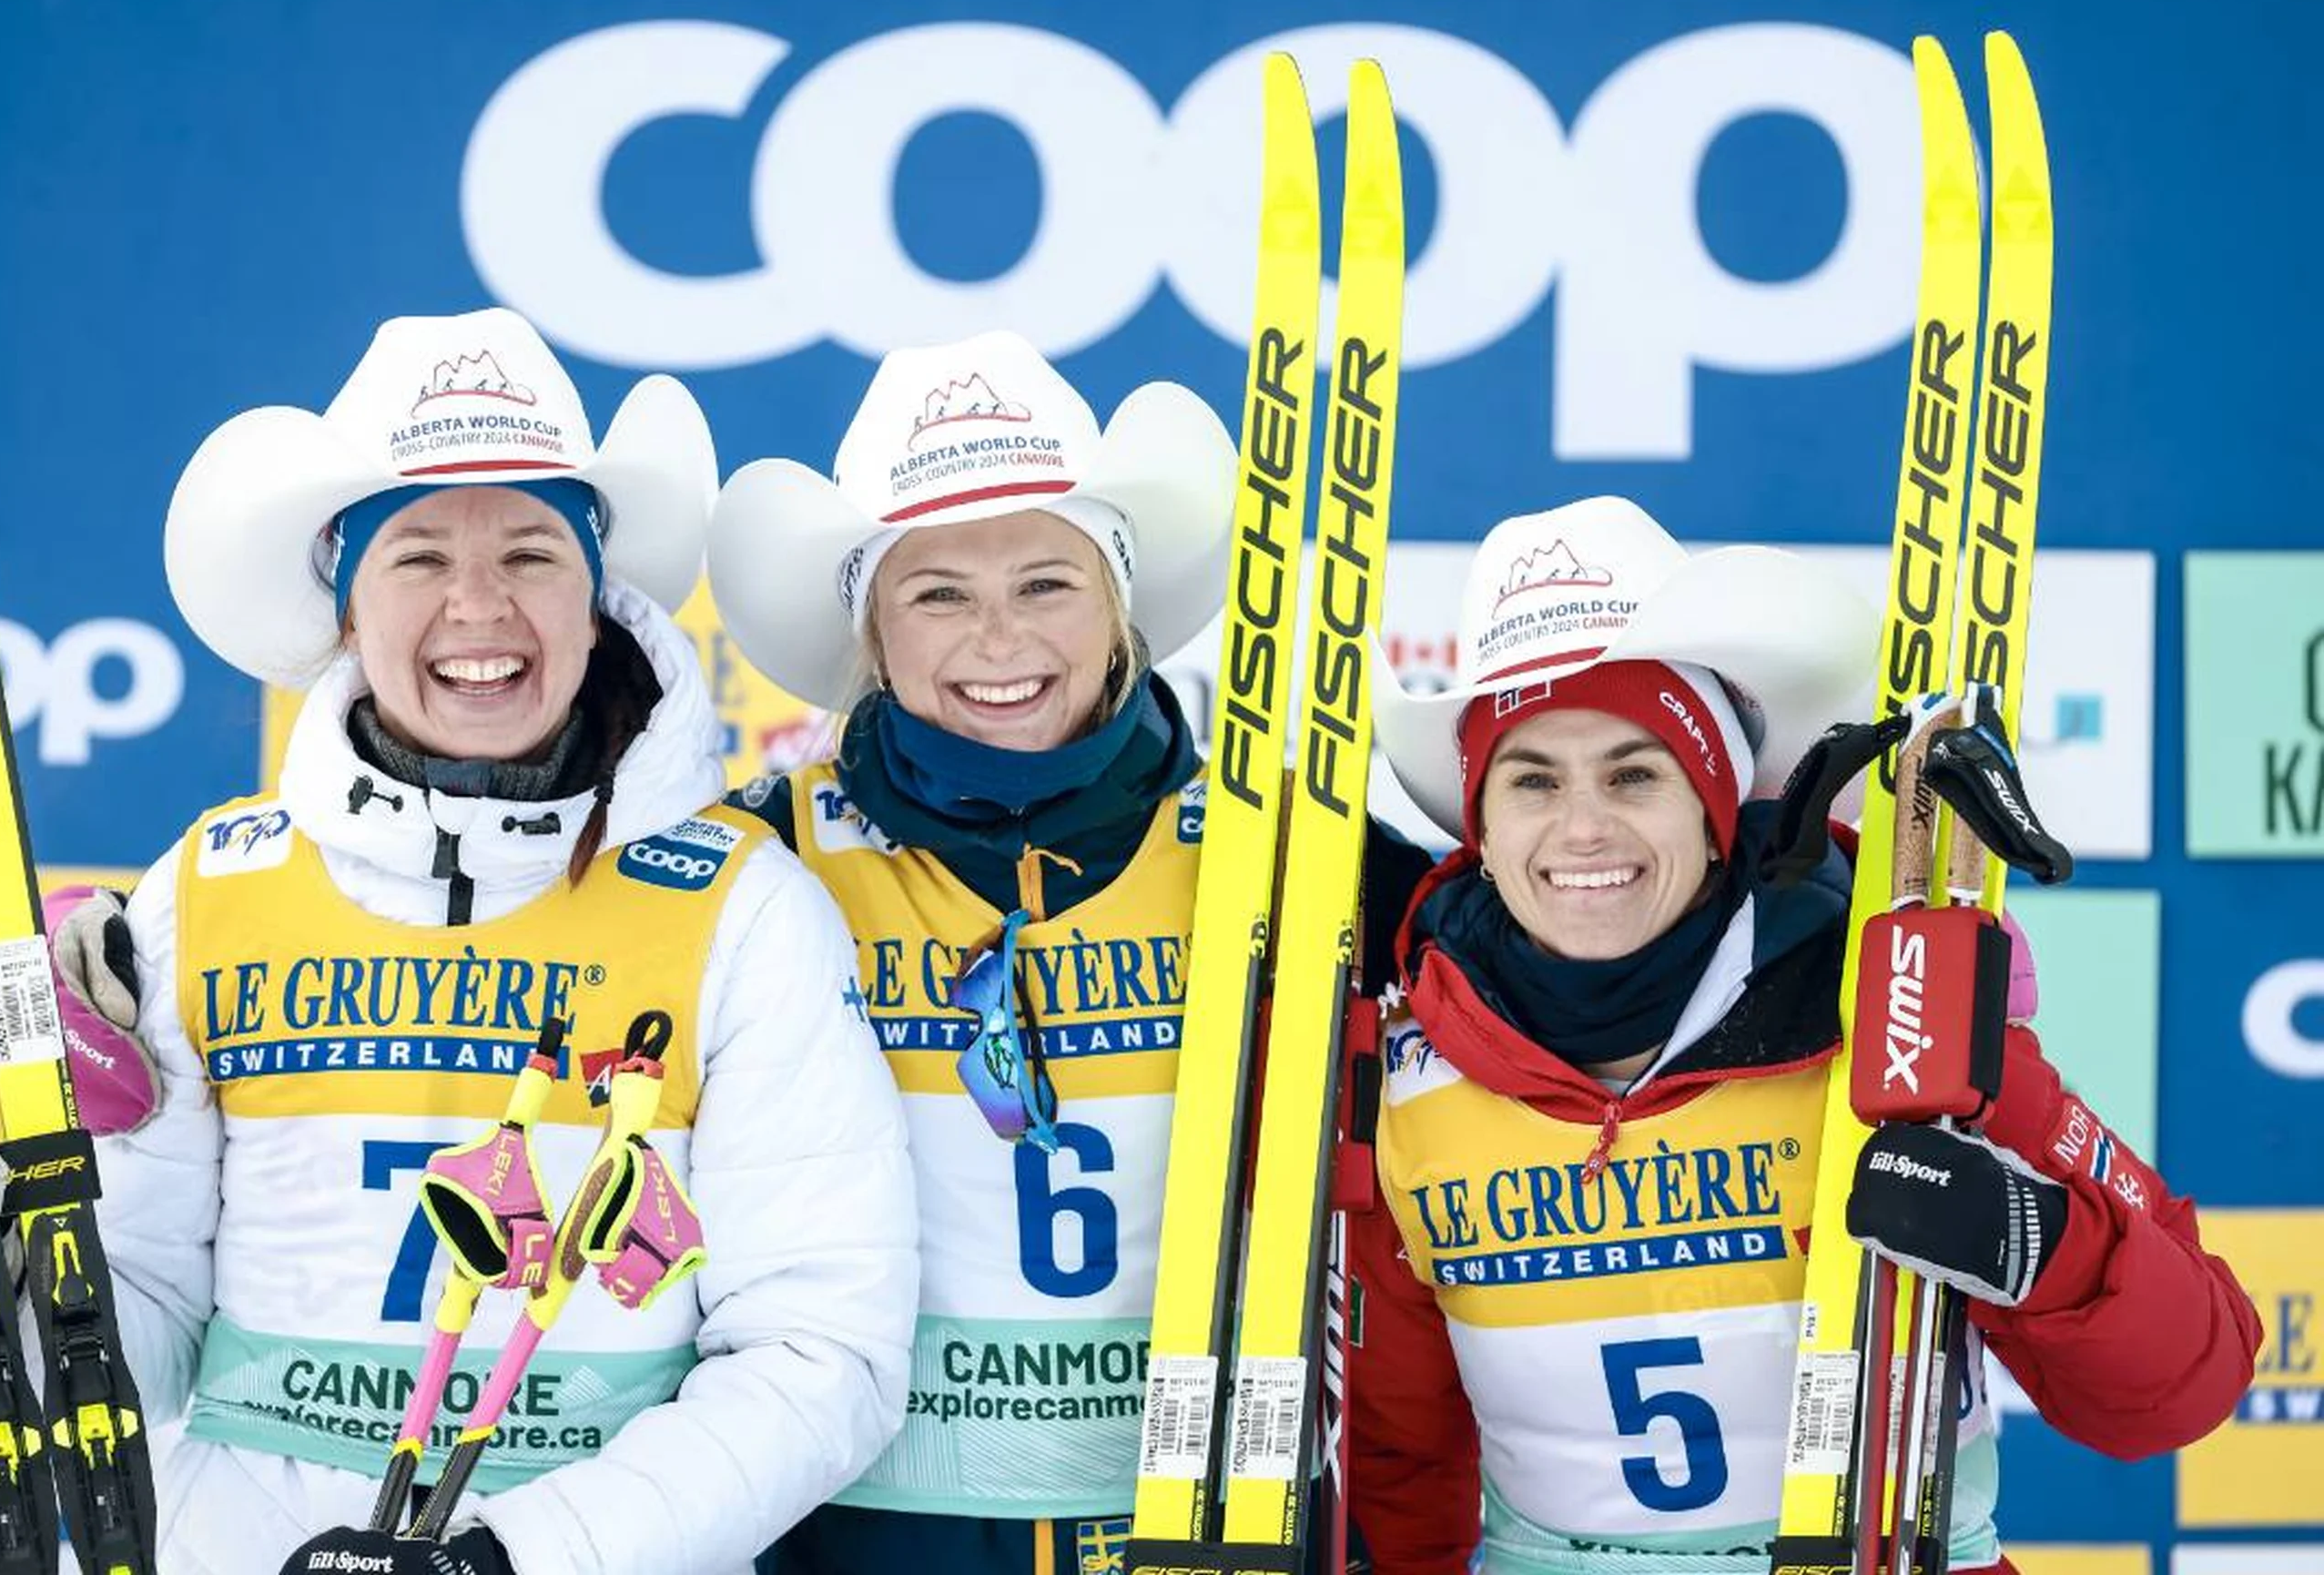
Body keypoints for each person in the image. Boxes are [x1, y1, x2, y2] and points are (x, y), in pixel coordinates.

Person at [0, 308, 919, 1575]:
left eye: (531, 552)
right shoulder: (210, 885)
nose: (479, 605)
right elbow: (134, 1321)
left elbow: (818, 1356)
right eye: (417, 557)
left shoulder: (740, 907)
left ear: (596, 600)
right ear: (347, 603)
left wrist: (507, 1560)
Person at [1345, 494, 2261, 1575]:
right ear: (1482, 830)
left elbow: (2185, 1385)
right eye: (1533, 780)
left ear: (1716, 801)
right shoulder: (1405, 1074)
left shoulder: (1900, 1023)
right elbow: (1400, 1464)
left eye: (1636, 774)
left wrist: (2032, 1240)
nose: (1583, 827)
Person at [706, 330, 1448, 1575]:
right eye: (938, 593)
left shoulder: (1299, 863)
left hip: (1198, 1520)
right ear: (871, 640)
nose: (999, 639)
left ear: (1120, 612)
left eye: (1047, 583)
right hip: (861, 1527)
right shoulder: (756, 867)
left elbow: (1550, 998)